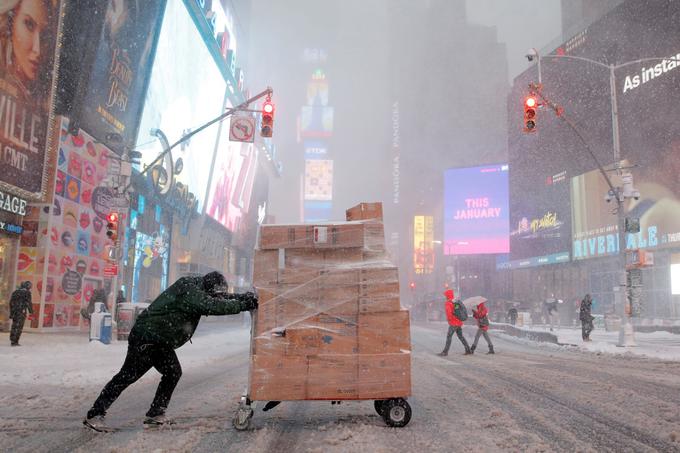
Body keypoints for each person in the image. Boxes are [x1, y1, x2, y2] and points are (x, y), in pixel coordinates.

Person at [83, 272, 258, 431]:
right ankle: (95, 415)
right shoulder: (191, 291)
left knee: (173, 372)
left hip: (160, 340)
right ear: (208, 288)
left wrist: (242, 297)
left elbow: (218, 298)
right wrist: (243, 304)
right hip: (148, 337)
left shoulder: (198, 287)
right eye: (214, 293)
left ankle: (155, 414)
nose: (216, 296)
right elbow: (211, 304)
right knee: (127, 376)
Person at [0, 0, 57, 106]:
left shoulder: (44, 96)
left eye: (44, 35)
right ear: (11, 22)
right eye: (29, 25)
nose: (37, 49)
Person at [437, 289, 471, 356]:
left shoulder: (448, 303)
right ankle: (468, 349)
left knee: (449, 336)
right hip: (458, 322)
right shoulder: (455, 302)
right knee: (461, 336)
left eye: (446, 295)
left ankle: (445, 352)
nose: (445, 297)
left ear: (447, 295)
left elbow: (449, 313)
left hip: (453, 323)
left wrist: (449, 319)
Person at [9, 281, 33, 346]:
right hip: (22, 312)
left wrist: (11, 312)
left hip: (15, 311)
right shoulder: (27, 293)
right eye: (30, 286)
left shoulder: (15, 292)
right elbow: (28, 303)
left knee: (14, 326)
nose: (30, 287)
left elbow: (11, 303)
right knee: (19, 327)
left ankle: (12, 340)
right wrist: (31, 312)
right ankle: (15, 341)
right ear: (27, 286)